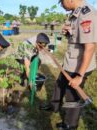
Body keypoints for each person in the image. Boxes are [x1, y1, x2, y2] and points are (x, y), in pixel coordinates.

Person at [40, 0, 97, 129]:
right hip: (70, 62)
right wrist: (68, 33)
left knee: (72, 96)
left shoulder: (86, 14)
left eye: (62, 2)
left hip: (80, 65)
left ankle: (70, 124)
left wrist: (79, 75)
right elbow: (77, 38)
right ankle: (54, 106)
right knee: (60, 84)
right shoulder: (75, 13)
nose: (61, 5)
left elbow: (90, 47)